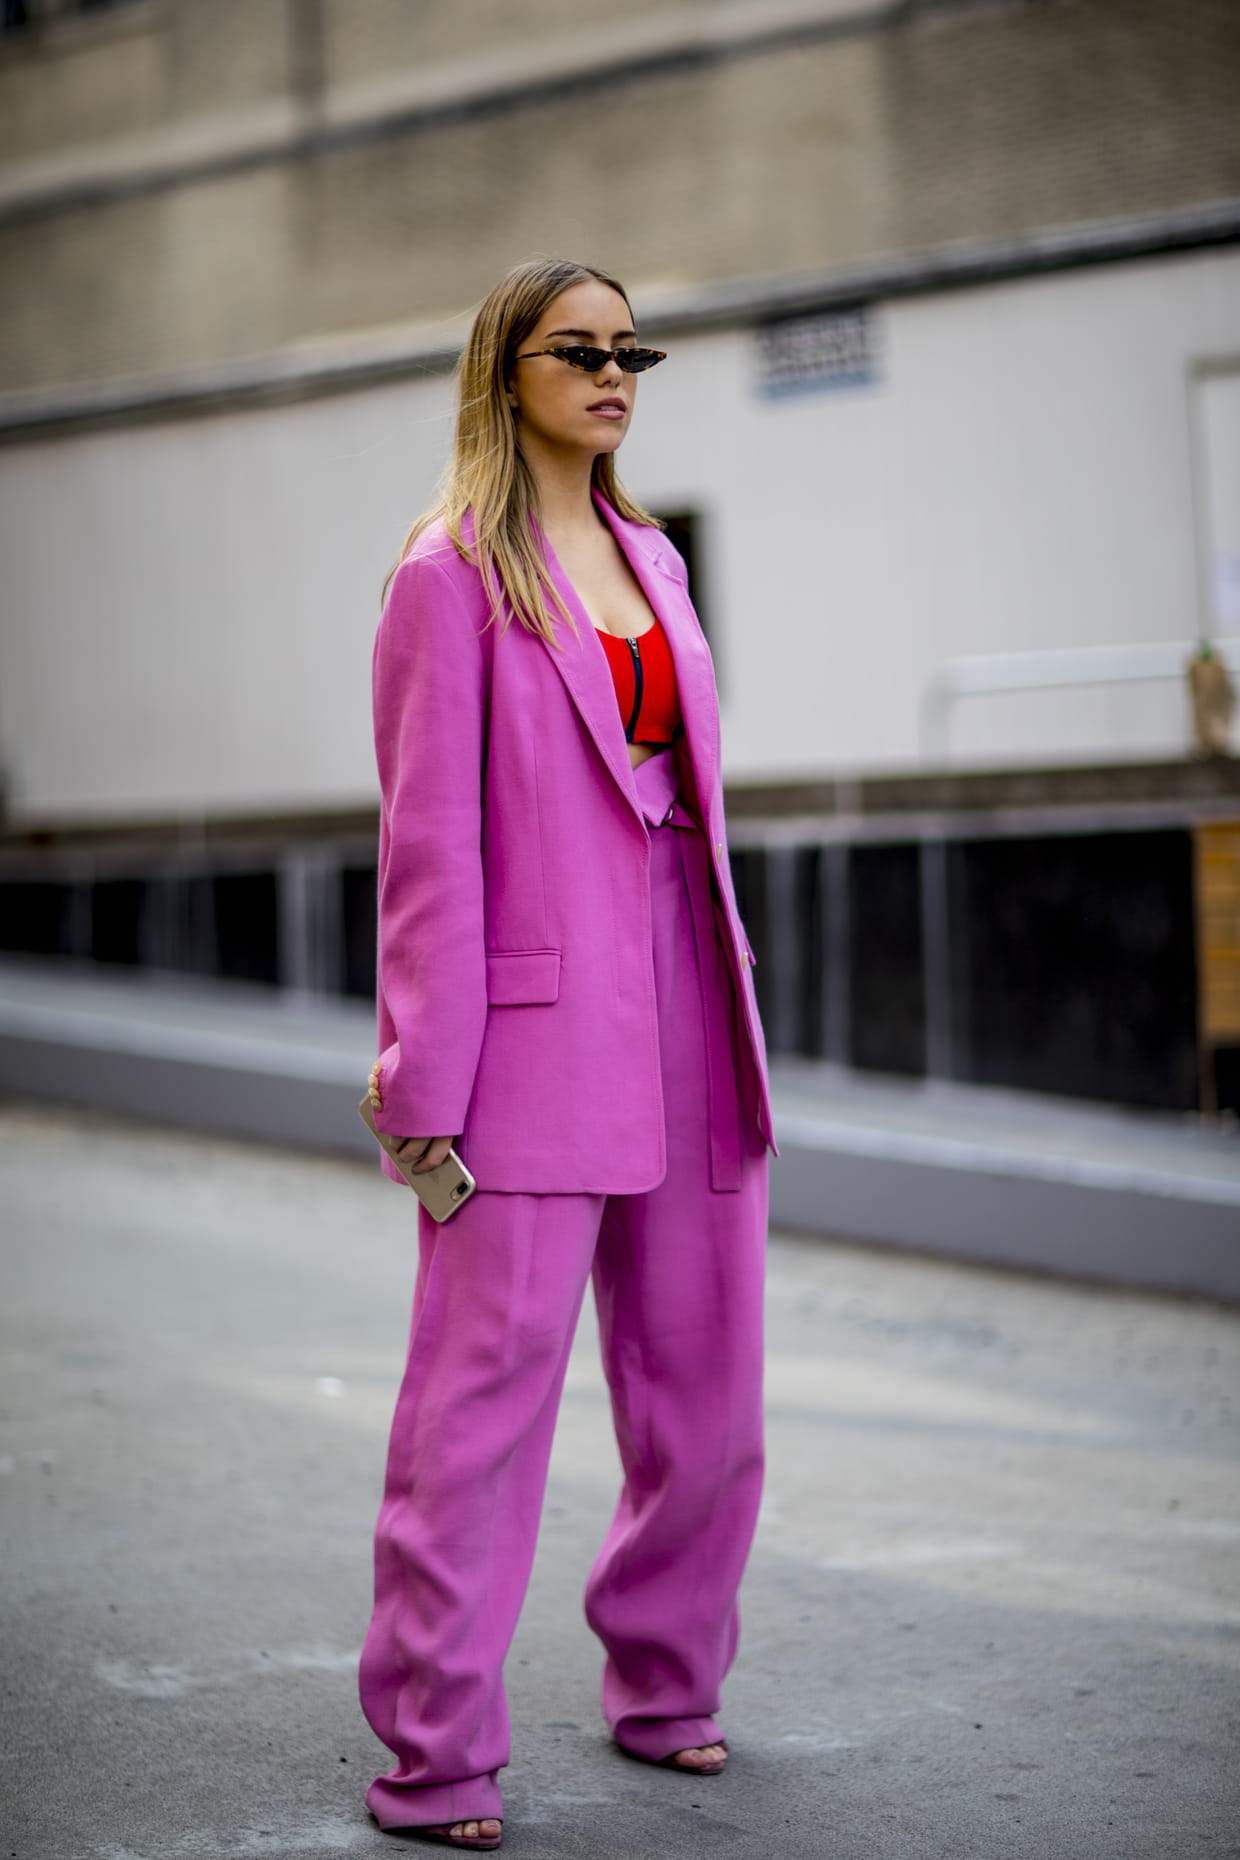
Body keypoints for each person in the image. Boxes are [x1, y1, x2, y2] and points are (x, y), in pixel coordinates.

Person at [357, 256, 776, 1852]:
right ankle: (436, 1753)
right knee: (479, 1412)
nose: (613, 374)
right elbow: (429, 852)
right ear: (506, 372)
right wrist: (421, 1082)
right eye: (578, 350)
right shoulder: (447, 575)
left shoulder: (654, 556)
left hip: (689, 1002)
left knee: (709, 1390)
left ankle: (668, 1681)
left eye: (630, 353)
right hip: (528, 1037)